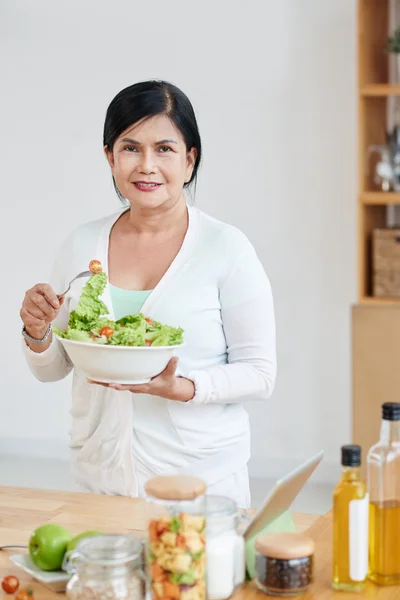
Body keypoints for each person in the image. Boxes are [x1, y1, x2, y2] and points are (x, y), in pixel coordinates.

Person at [20, 80, 276, 508]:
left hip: (199, 483)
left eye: (165, 149)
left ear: (190, 160)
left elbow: (260, 372)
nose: (146, 165)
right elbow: (54, 368)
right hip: (99, 477)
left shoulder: (226, 248)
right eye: (130, 147)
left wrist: (187, 387)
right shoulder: (81, 245)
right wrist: (37, 331)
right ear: (110, 157)